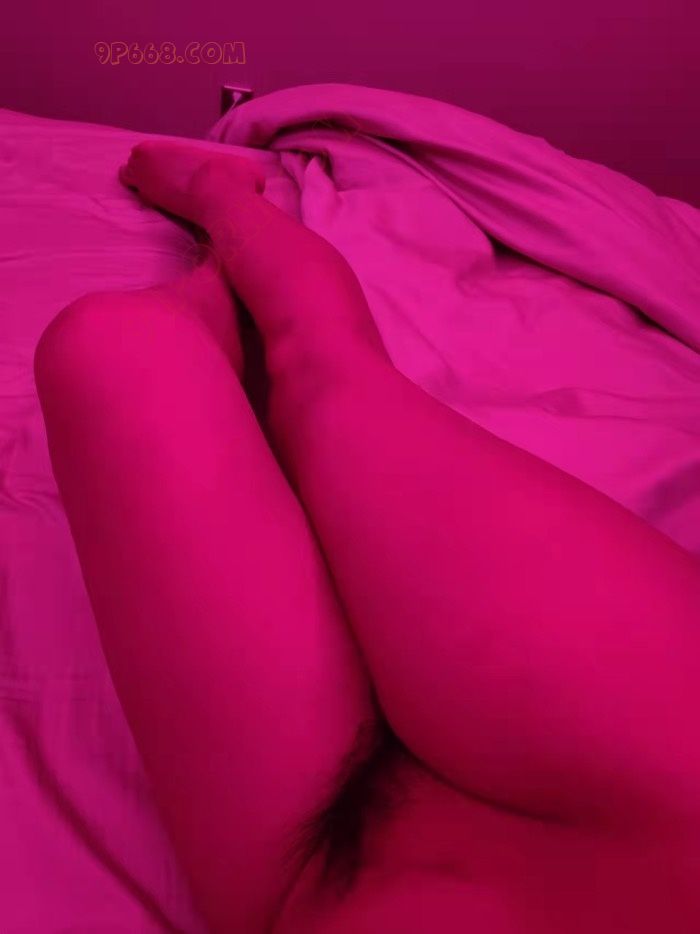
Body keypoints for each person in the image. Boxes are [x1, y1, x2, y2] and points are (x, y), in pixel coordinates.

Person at [33, 143, 700, 933]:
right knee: (325, 369)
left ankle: (218, 294)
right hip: (655, 785)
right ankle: (225, 198)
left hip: (306, 892)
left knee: (107, 349)